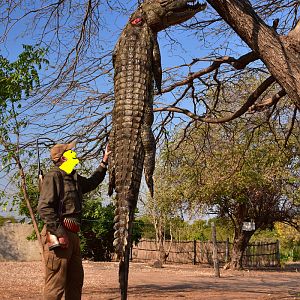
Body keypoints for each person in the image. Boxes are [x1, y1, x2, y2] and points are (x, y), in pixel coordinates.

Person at [37, 141, 110, 300]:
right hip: (59, 235)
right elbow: (44, 207)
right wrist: (60, 232)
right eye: (70, 152)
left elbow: (91, 182)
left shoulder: (73, 177)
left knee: (75, 282)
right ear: (63, 158)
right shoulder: (53, 176)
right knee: (56, 285)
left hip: (73, 235)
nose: (74, 154)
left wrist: (104, 162)